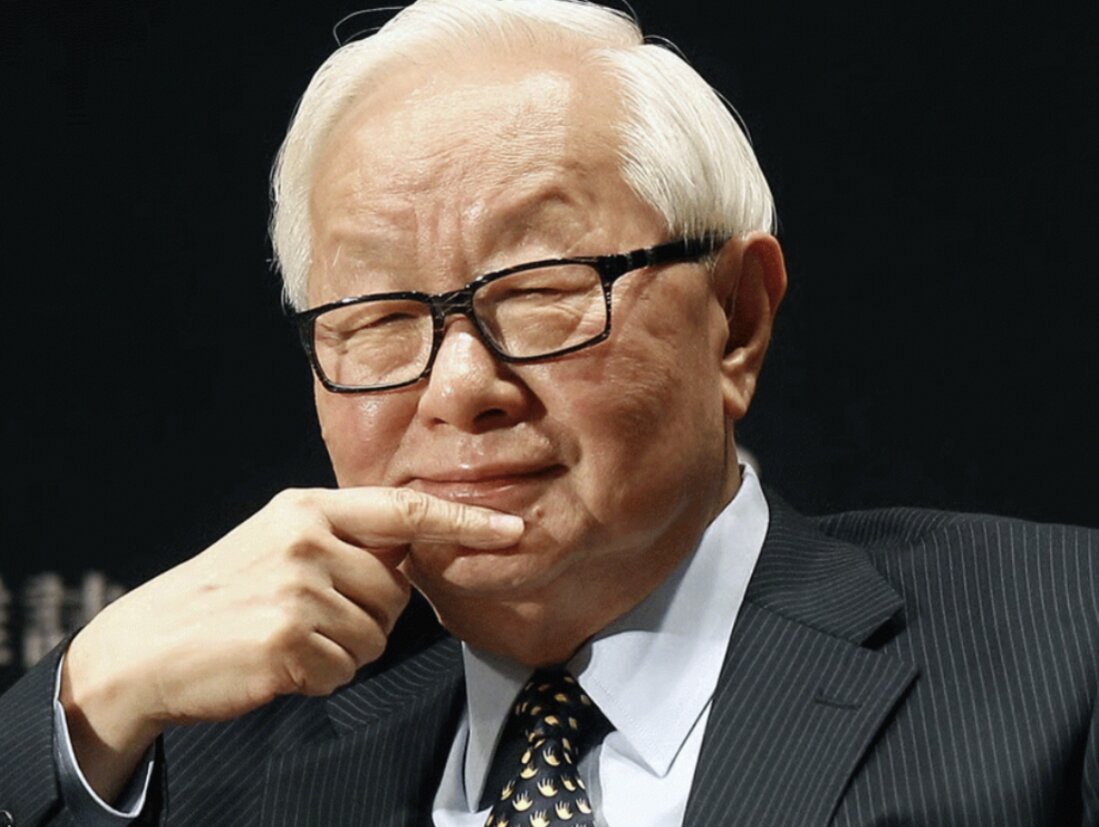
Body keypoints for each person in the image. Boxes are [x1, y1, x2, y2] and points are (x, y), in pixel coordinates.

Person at [1, 1, 1096, 825]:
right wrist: (87, 698)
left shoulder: (1063, 652)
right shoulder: (188, 752)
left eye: (538, 290)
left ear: (736, 318)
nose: (457, 387)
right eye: (378, 315)